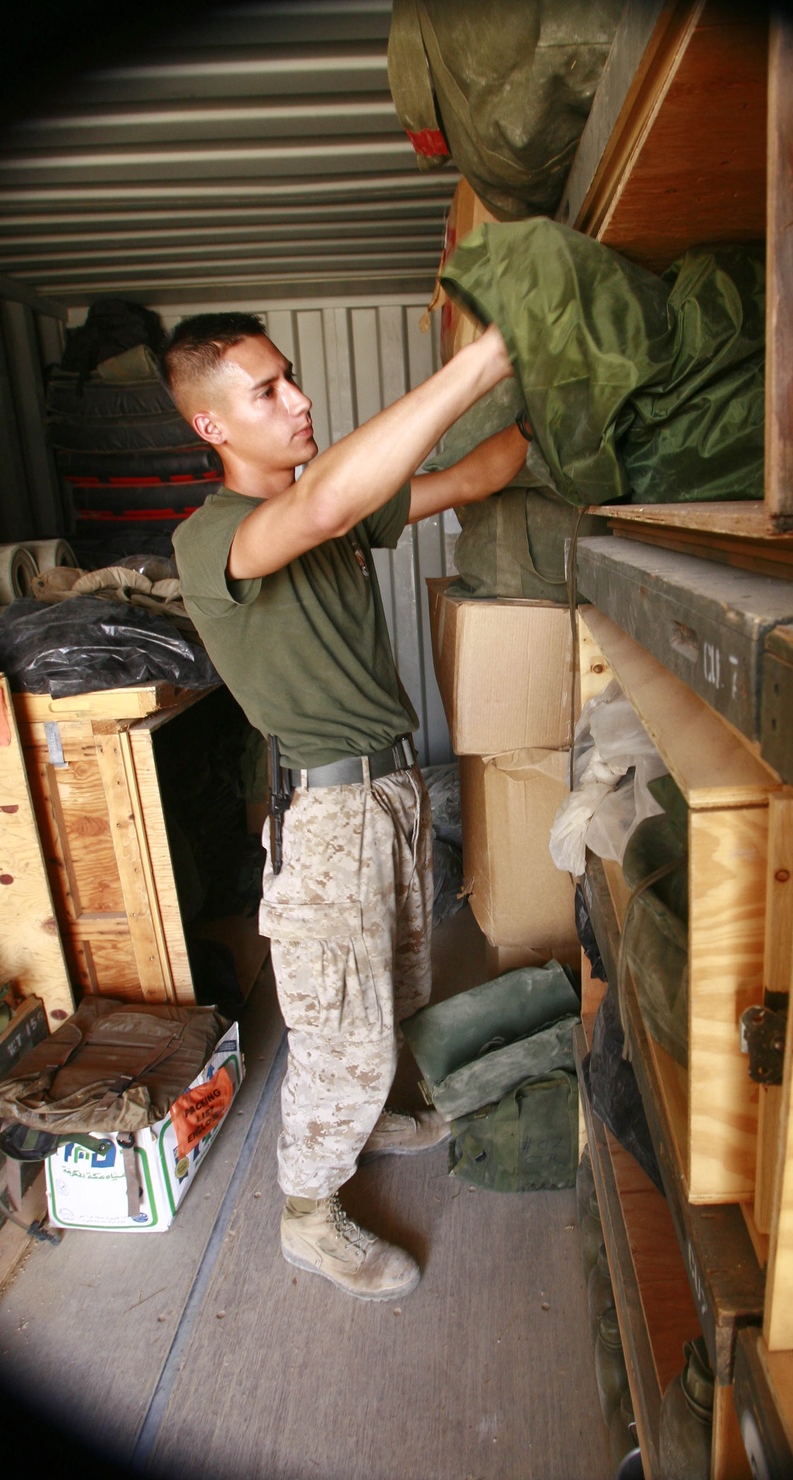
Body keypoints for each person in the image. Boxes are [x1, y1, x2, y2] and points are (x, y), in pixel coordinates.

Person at [164, 312, 526, 1301]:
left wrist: (544, 403)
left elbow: (476, 476)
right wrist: (482, 358)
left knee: (398, 985)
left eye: (292, 378)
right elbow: (319, 507)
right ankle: (309, 1219)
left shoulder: (341, 510)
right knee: (339, 1032)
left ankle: (371, 1120)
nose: (298, 399)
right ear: (213, 429)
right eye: (266, 391)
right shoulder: (214, 540)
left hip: (393, 792)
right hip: (327, 819)